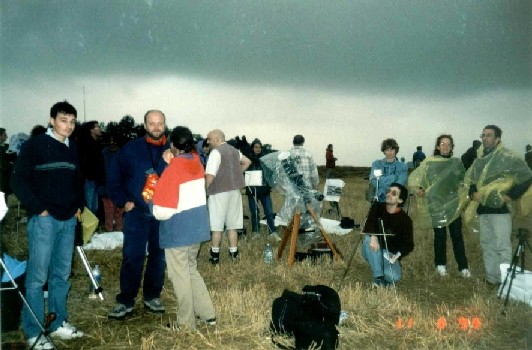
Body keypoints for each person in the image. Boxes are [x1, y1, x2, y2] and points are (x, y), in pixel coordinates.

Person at [10, 101, 85, 349]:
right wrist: (37, 208)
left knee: (61, 275)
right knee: (37, 277)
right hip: (44, 220)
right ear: (52, 120)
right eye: (64, 120)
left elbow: (77, 180)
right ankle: (34, 331)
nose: (69, 125)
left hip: (67, 220)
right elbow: (17, 180)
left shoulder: (73, 147)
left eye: (72, 121)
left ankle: (57, 322)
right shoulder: (35, 145)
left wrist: (78, 207)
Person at [149, 126, 216, 330]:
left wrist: (150, 197)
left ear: (172, 145)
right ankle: (207, 314)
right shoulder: (196, 162)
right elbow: (184, 171)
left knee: (180, 276)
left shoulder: (173, 170)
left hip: (178, 232)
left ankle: (186, 324)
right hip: (197, 229)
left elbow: (161, 212)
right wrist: (174, 160)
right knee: (191, 271)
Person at [107, 110, 169, 319]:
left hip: (162, 214)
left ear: (165, 125)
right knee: (132, 256)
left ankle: (152, 296)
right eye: (152, 123)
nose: (156, 127)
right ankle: (125, 300)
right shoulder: (130, 149)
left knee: (158, 257)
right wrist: (123, 201)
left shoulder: (173, 151)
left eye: (160, 123)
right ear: (144, 126)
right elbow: (113, 177)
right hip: (136, 213)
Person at [465, 125, 532, 285]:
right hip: (483, 209)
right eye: (483, 135)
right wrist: (472, 192)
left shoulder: (506, 157)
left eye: (489, 135)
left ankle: (506, 281)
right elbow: (472, 180)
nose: (485, 138)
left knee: (502, 246)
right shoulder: (480, 160)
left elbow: (527, 176)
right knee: (487, 245)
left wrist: (511, 195)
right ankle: (492, 278)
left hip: (501, 210)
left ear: (497, 139)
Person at [409, 134, 470, 278]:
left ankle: (463, 267)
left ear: (452, 147)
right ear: (437, 146)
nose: (445, 147)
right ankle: (440, 265)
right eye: (442, 144)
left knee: (457, 236)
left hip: (453, 205)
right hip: (436, 204)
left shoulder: (456, 163)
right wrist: (418, 189)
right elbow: (416, 177)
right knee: (440, 236)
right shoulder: (429, 162)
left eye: (448, 144)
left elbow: (463, 181)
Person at [205, 129, 251, 264]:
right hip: (234, 192)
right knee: (232, 226)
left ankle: (214, 256)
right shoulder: (234, 151)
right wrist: (235, 174)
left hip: (218, 193)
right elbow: (247, 162)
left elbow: (210, 176)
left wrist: (204, 190)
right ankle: (233, 254)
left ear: (217, 138)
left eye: (210, 139)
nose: (208, 142)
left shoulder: (215, 152)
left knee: (217, 226)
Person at [361, 183, 414, 287]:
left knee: (394, 277)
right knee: (368, 239)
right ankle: (378, 278)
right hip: (371, 248)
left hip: (388, 254)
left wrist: (396, 255)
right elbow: (369, 223)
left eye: (394, 193)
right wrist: (374, 236)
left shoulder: (405, 220)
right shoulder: (377, 207)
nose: (389, 194)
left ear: (400, 200)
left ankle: (382, 277)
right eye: (388, 191)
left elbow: (409, 244)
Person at [245, 139, 276, 239]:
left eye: (259, 147)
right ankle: (256, 232)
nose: (257, 149)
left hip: (264, 191)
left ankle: (272, 232)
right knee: (255, 212)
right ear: (252, 148)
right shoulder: (247, 160)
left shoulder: (265, 159)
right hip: (252, 191)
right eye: (255, 147)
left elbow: (269, 173)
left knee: (269, 212)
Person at [78, 120, 105, 215]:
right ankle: (86, 228)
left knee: (95, 206)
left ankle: (92, 227)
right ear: (91, 130)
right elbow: (84, 163)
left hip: (96, 180)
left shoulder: (98, 143)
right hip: (88, 180)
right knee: (88, 205)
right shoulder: (86, 144)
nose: (100, 129)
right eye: (97, 127)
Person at [369, 138, 408, 202]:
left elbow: (400, 184)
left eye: (392, 149)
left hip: (394, 200)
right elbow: (374, 181)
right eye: (387, 149)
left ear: (396, 150)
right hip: (379, 198)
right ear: (384, 151)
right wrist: (393, 177)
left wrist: (382, 180)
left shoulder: (403, 166)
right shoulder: (376, 164)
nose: (390, 152)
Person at [101, 133, 123, 232]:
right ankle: (109, 229)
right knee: (108, 211)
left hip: (118, 188)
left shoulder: (121, 154)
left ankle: (119, 229)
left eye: (114, 141)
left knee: (118, 211)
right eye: (110, 141)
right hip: (106, 188)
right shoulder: (103, 153)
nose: (112, 143)